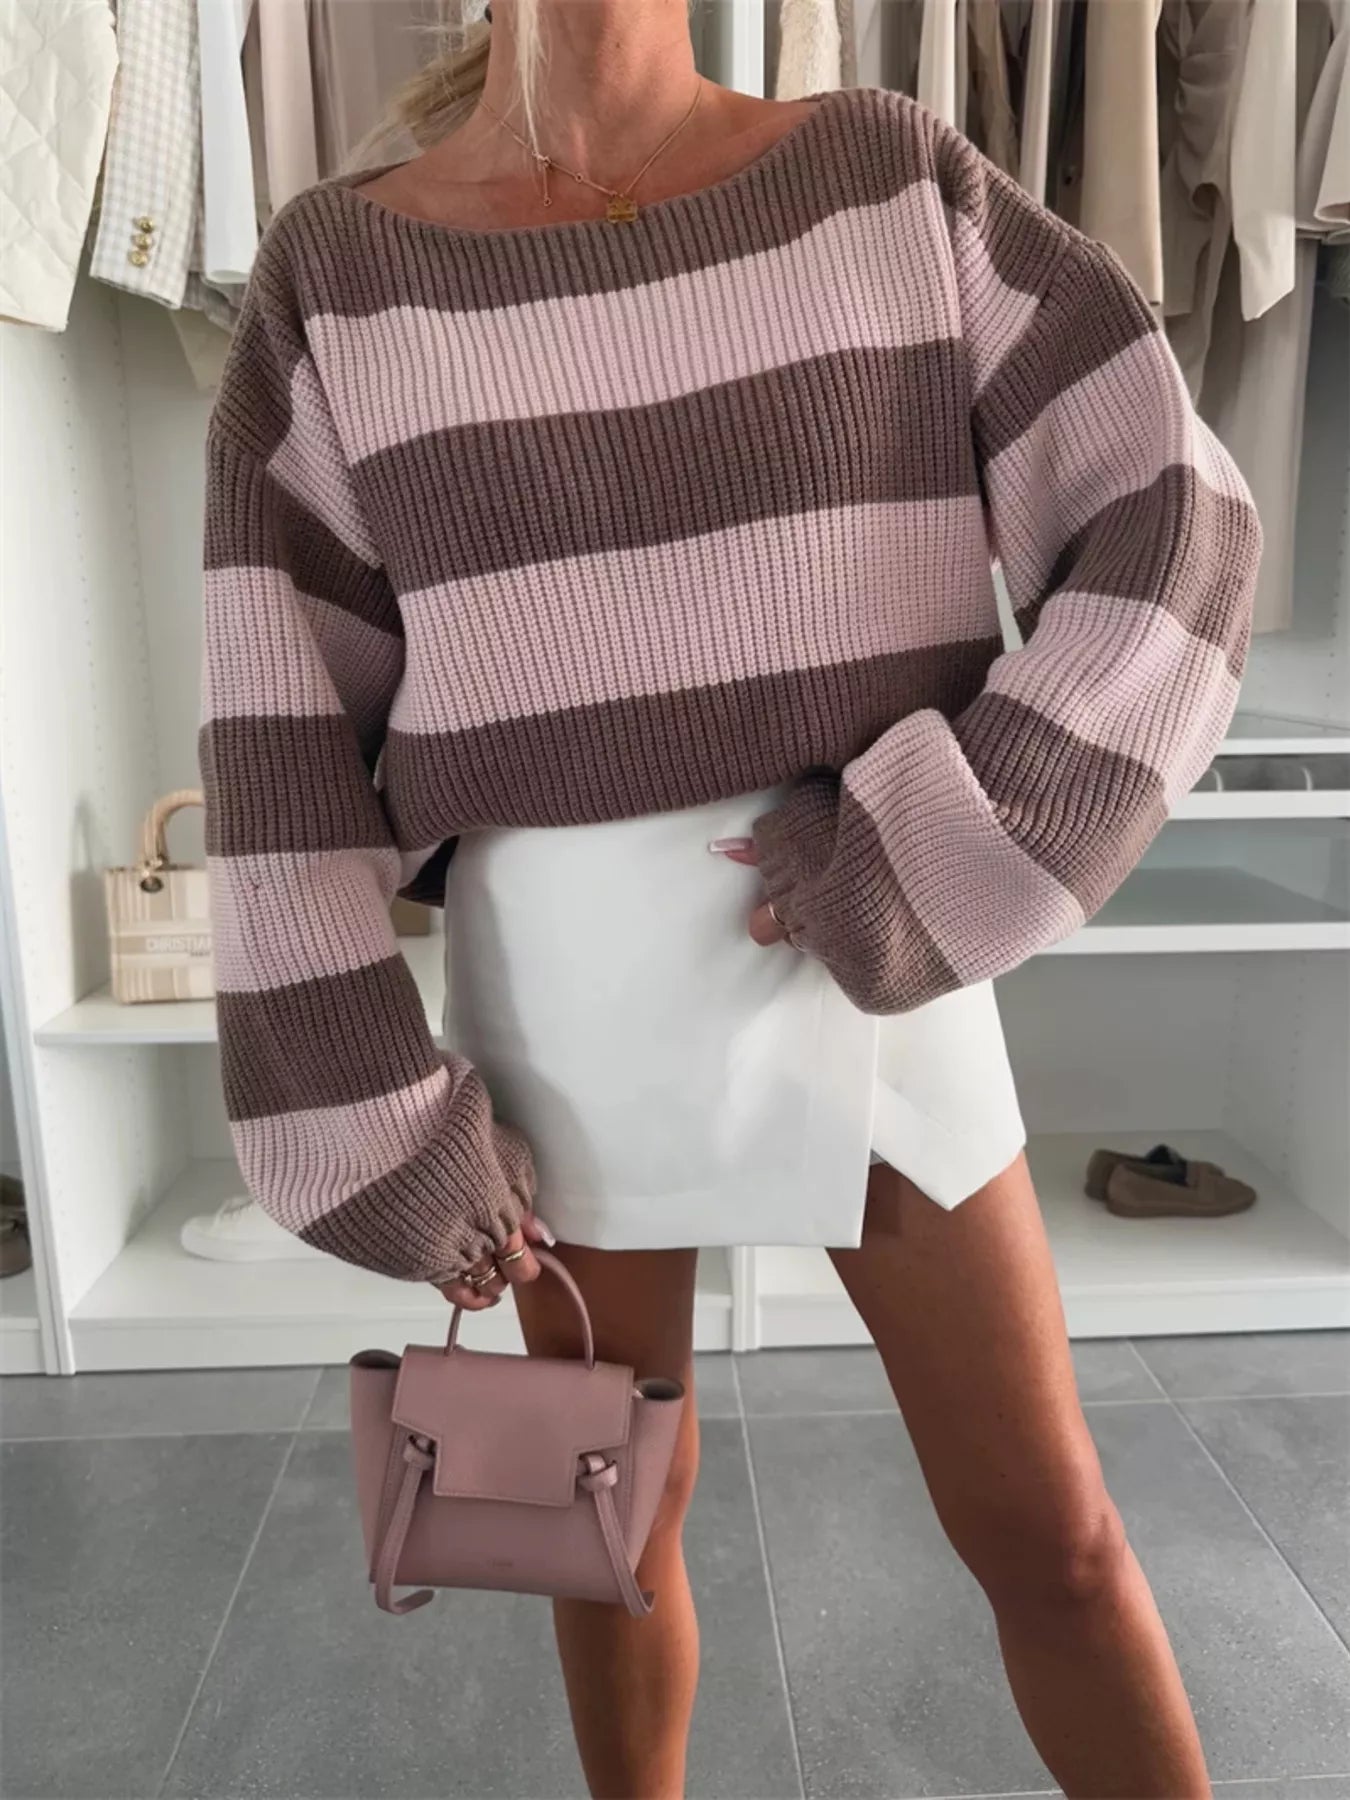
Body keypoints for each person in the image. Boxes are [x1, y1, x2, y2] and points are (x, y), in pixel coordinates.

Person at [198, 2, 1260, 1794]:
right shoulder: (340, 270)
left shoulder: (883, 175)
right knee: (603, 1532)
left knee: (1054, 1535)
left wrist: (958, 835)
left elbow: (1176, 512)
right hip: (562, 985)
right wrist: (364, 1101)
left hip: (867, 939)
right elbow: (276, 719)